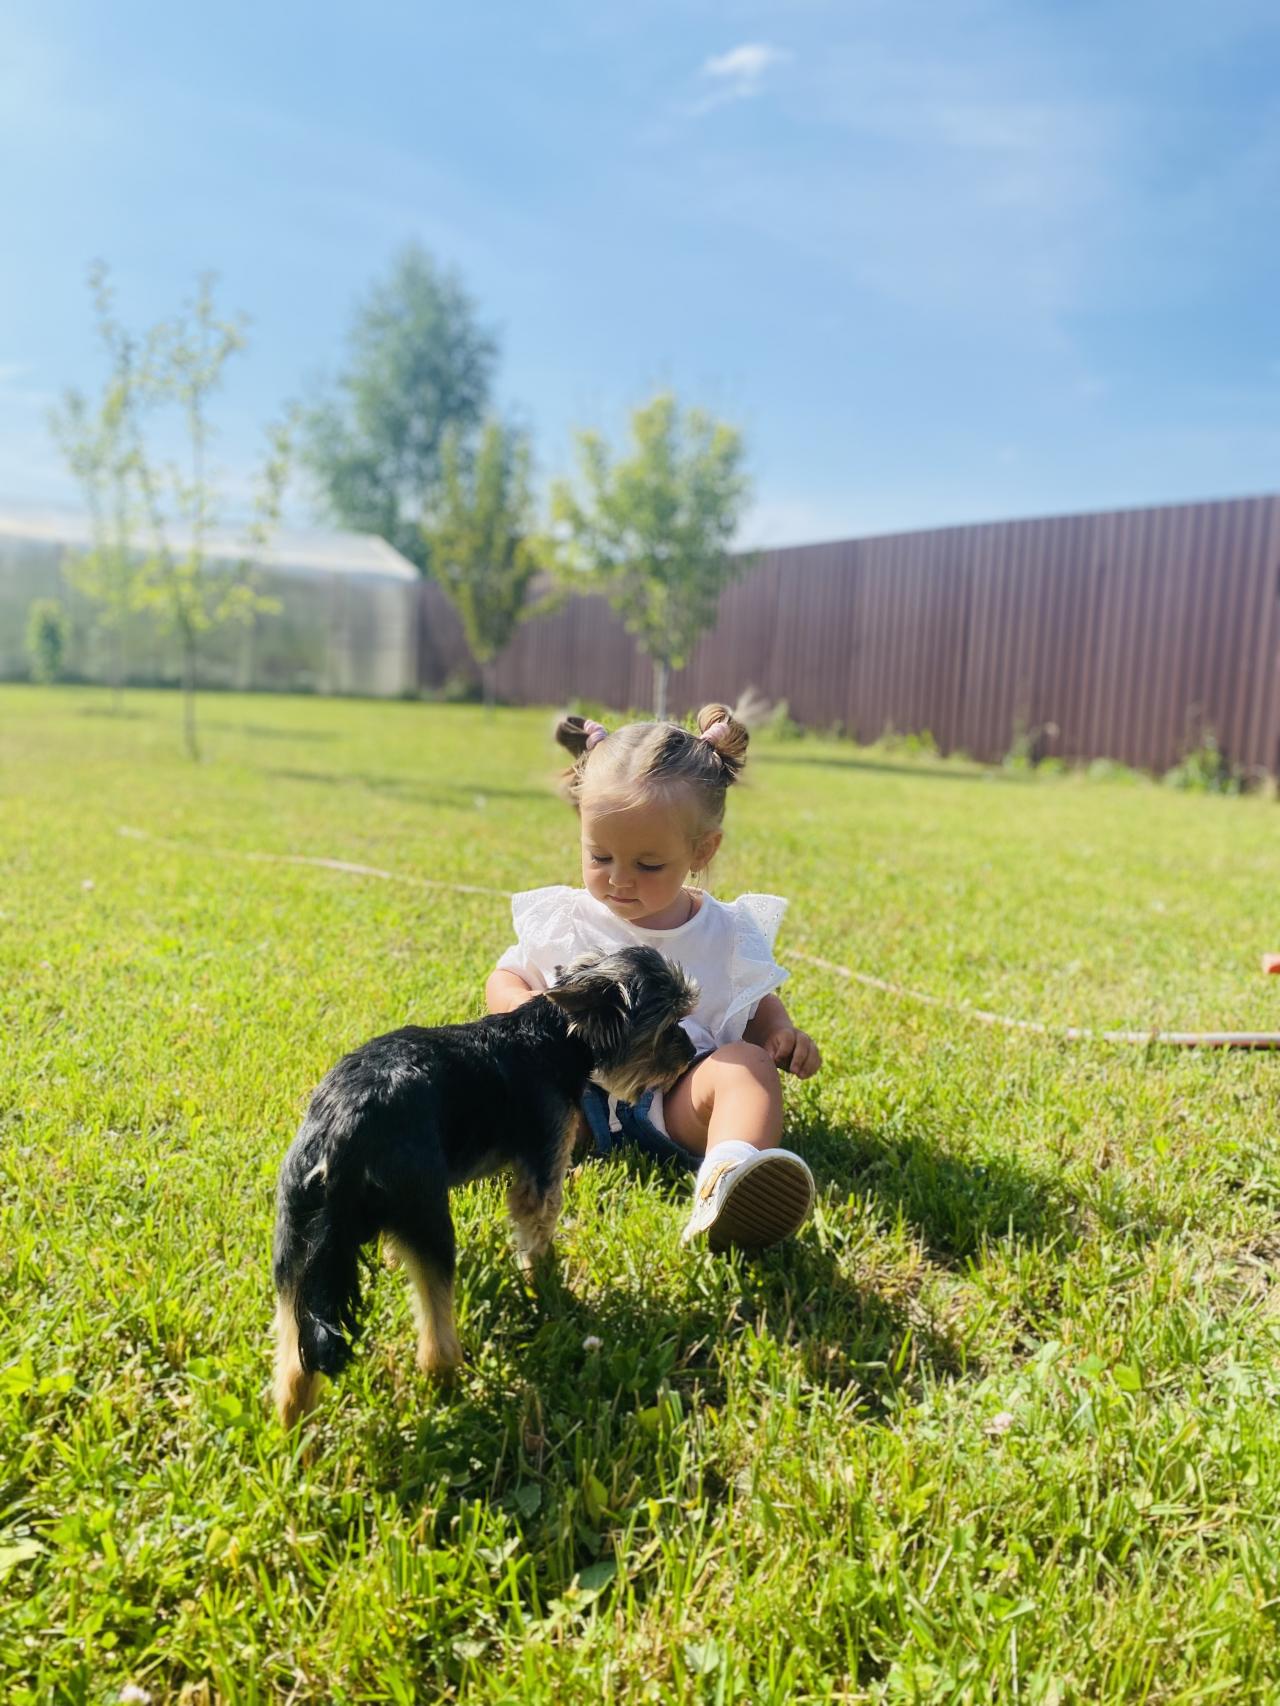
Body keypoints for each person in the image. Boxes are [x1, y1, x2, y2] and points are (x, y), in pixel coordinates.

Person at [484, 702, 820, 1251]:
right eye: (599, 857)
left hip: (679, 1103)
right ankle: (492, 1148)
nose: (619, 880)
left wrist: (779, 1033)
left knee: (747, 1069)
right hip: (579, 1095)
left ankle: (728, 1174)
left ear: (701, 850)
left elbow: (756, 1003)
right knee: (509, 1085)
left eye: (647, 865)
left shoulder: (725, 932)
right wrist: (525, 1007)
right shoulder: (567, 920)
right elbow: (505, 976)